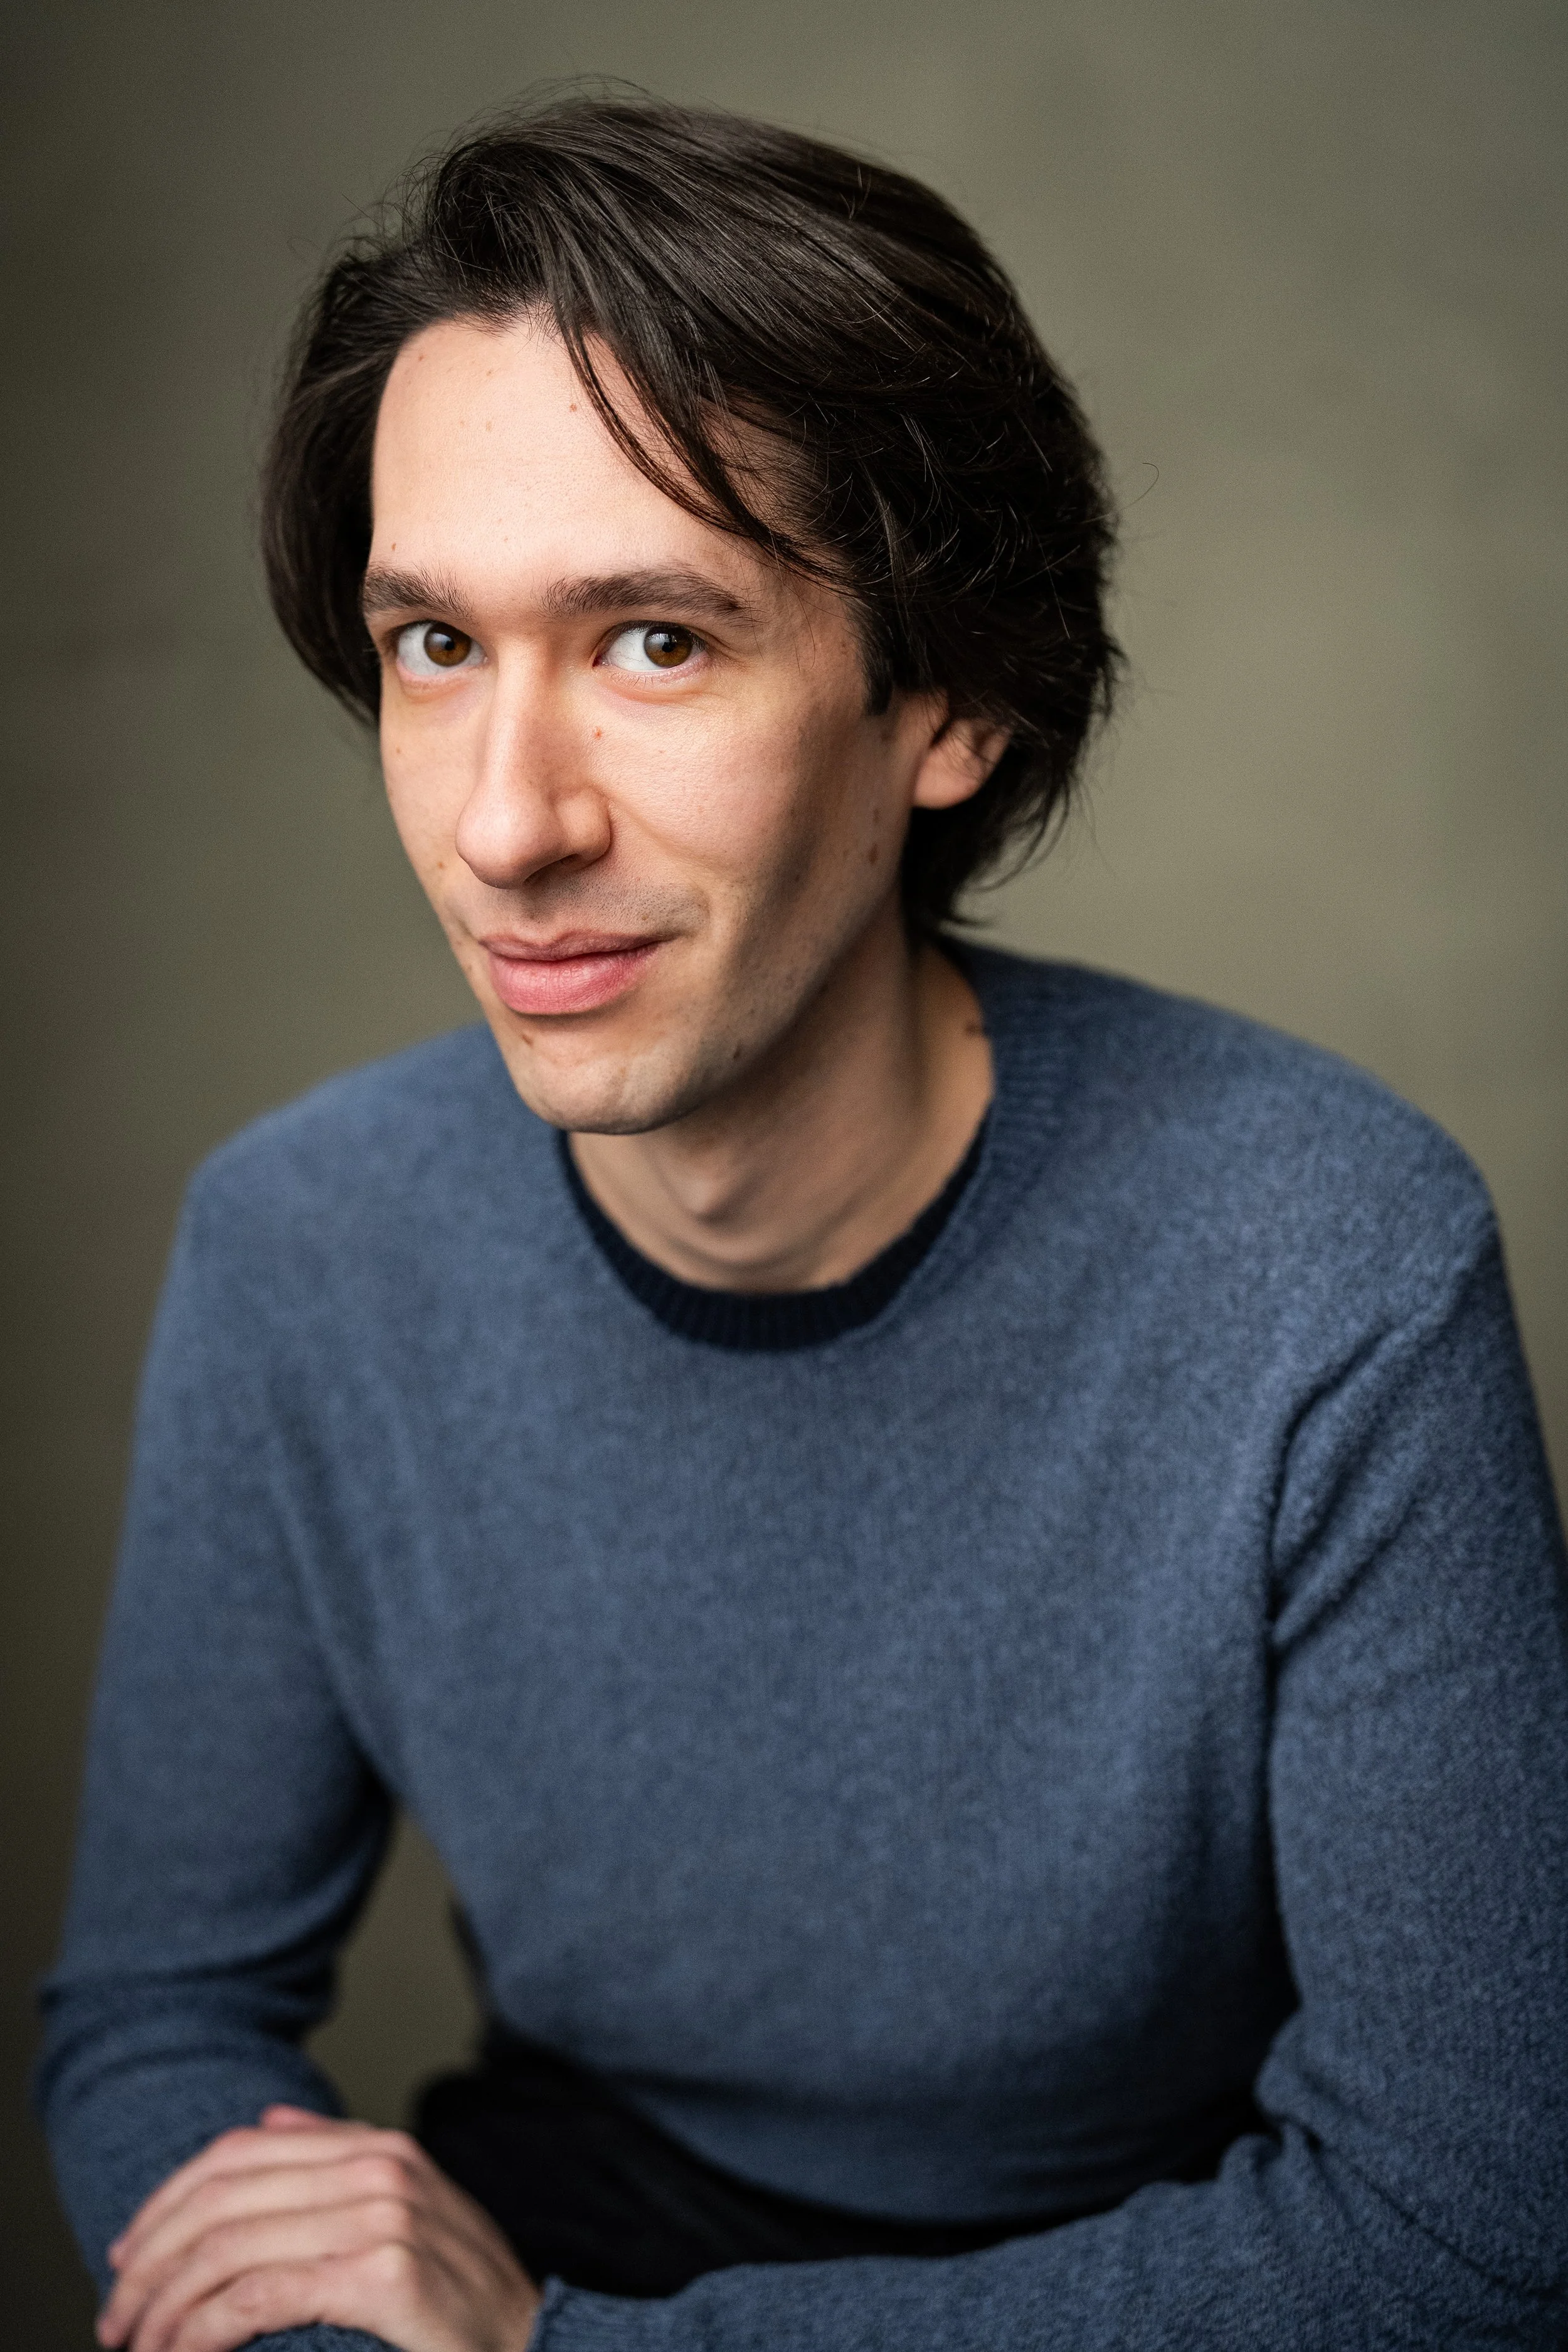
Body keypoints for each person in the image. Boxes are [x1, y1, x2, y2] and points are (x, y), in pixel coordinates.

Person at [38, 93, 1568, 2352]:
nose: (503, 822)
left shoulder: (1324, 1263)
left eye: (656, 641)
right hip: (535, 2254)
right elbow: (156, 2016)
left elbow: (1467, 2232)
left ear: (945, 700)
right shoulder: (305, 1247)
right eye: (433, 644)